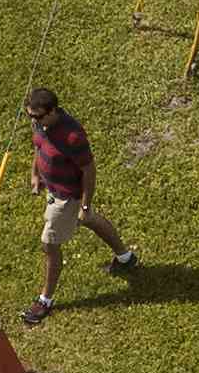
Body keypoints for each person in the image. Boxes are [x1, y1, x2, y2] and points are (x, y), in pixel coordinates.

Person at [20, 86, 134, 321]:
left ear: (53, 111)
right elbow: (38, 145)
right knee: (89, 219)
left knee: (49, 245)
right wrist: (35, 174)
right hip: (52, 190)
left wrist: (83, 204)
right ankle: (126, 258)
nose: (34, 121)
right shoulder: (40, 124)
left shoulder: (73, 136)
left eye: (38, 116)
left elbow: (89, 171)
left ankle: (45, 300)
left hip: (66, 197)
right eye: (30, 116)